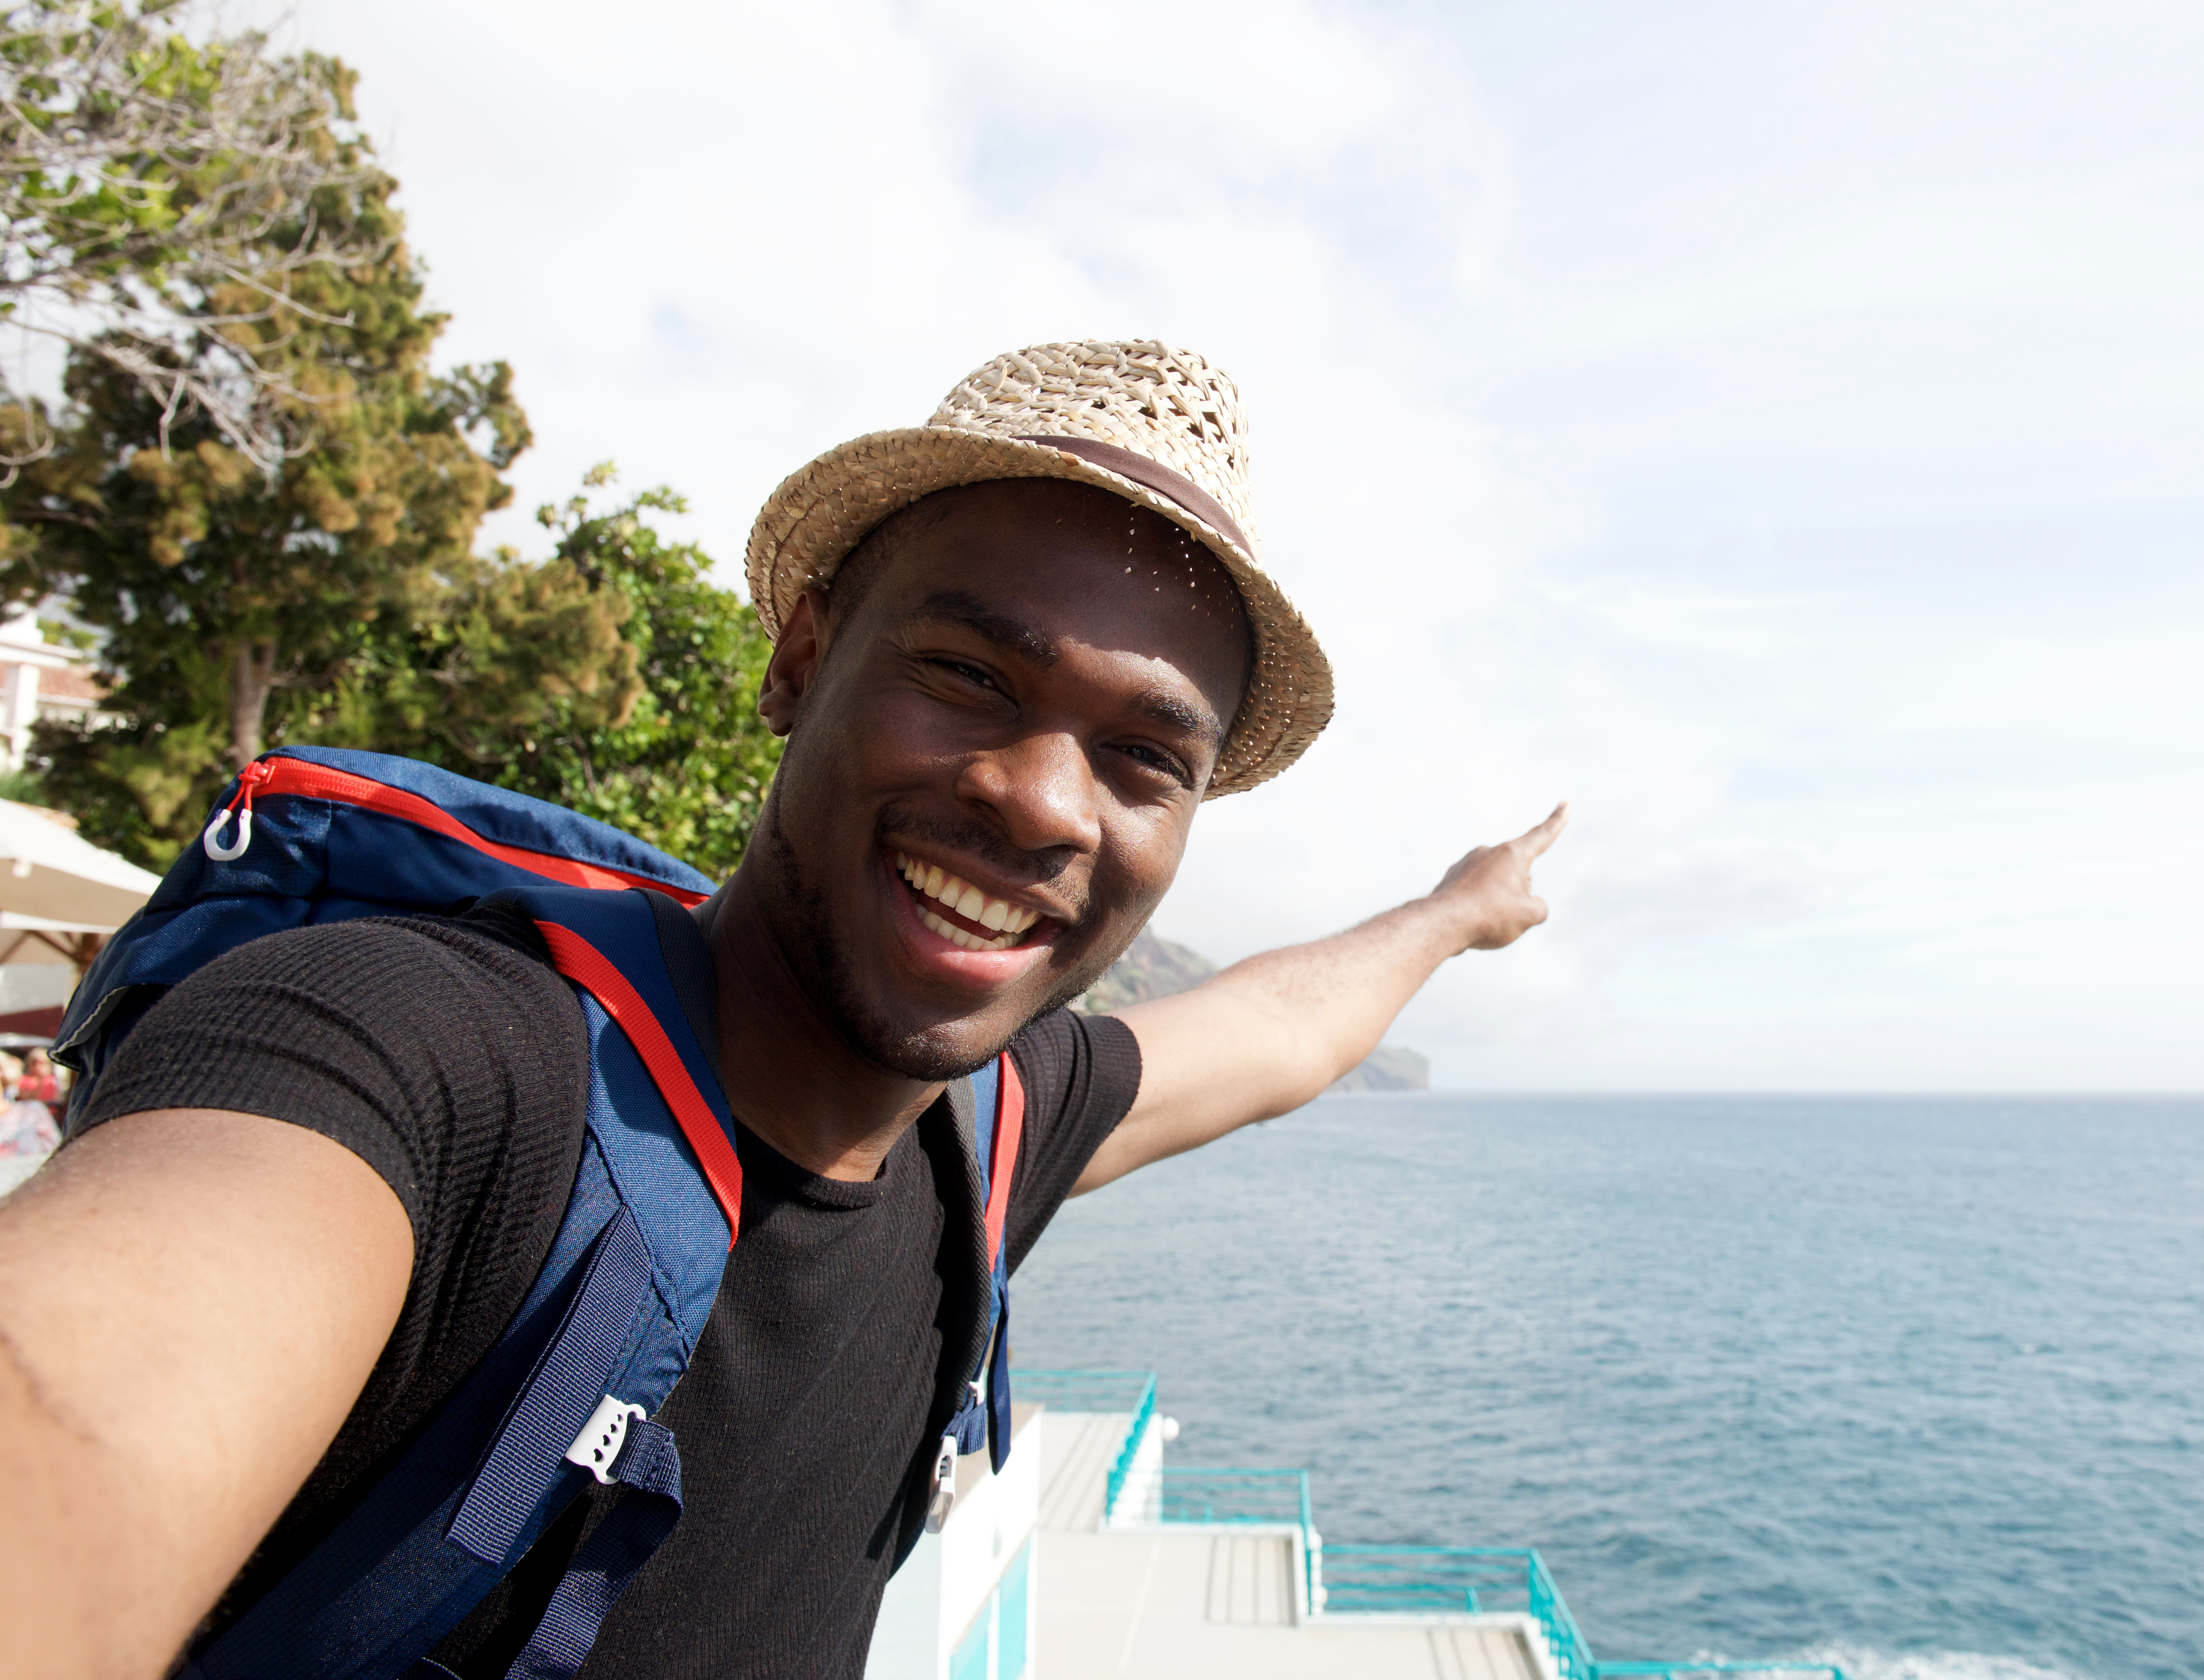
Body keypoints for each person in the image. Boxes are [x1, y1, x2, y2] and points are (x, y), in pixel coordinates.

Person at [0, 342, 1565, 1679]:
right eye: (967, 675)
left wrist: (1456, 911)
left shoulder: (986, 1135)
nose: (1040, 803)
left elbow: (1273, 1035)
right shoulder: (420, 1055)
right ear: (802, 660)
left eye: (1145, 757)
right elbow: (71, 1412)